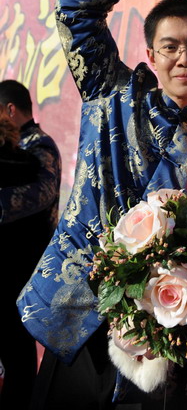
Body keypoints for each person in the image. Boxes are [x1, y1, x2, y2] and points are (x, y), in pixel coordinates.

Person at [17, 0, 187, 410]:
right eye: (170, 46)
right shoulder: (112, 92)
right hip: (82, 315)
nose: (184, 58)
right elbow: (75, 7)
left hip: (170, 332)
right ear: (151, 54)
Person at [0, 83, 61, 410]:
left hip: (26, 270)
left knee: (19, 359)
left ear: (10, 110)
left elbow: (42, 194)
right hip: (7, 265)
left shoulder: (40, 145)